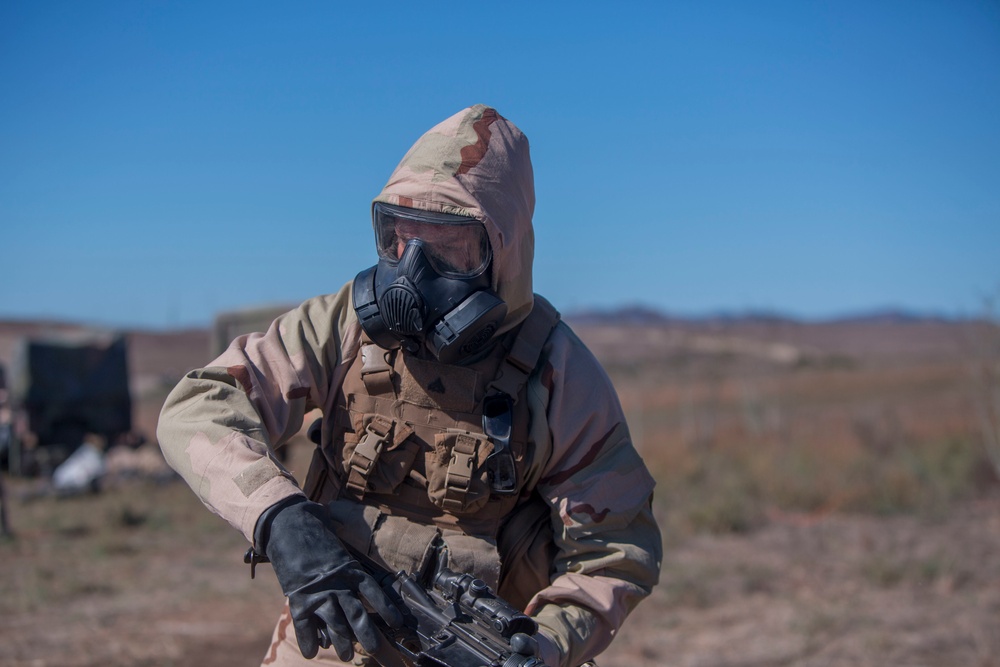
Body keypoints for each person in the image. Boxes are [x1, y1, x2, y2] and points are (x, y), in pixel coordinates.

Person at [157, 104, 662, 667]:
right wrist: (281, 520)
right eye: (400, 240)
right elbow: (198, 407)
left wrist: (543, 647)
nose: (411, 272)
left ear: (502, 252)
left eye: (447, 248)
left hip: (484, 648)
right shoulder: (342, 324)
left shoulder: (559, 371)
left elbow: (613, 551)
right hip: (342, 629)